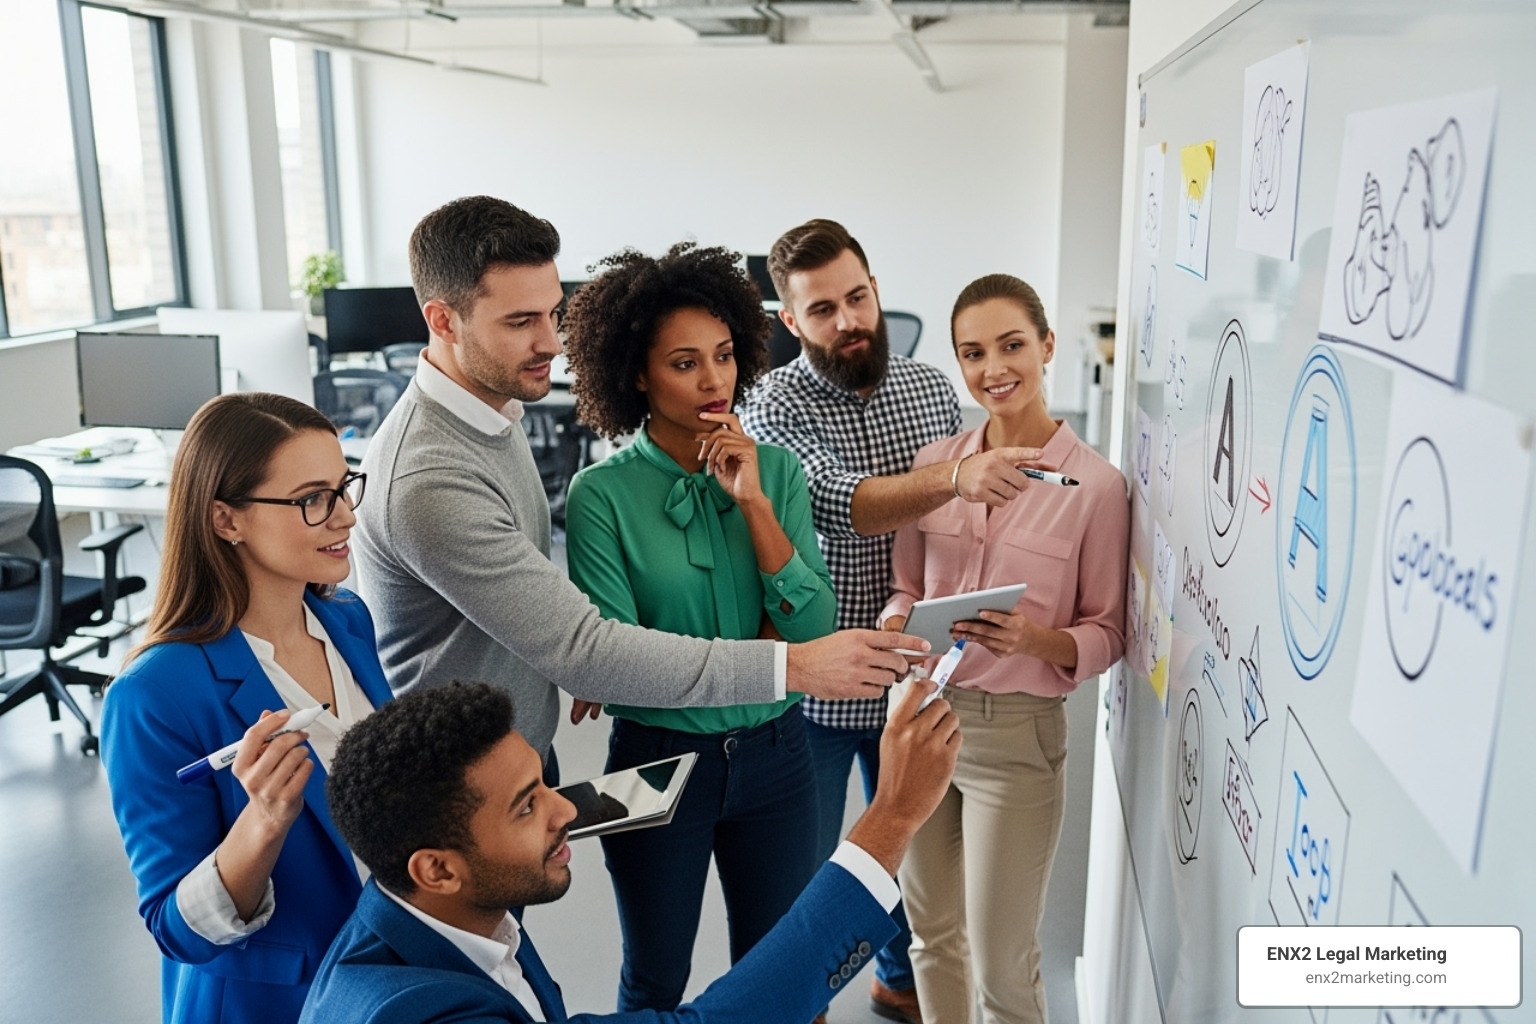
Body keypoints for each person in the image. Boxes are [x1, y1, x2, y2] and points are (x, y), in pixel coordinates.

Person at [353, 197, 929, 768]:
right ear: (442, 321)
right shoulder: (430, 477)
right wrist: (795, 667)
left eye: (552, 314)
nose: (552, 343)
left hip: (519, 748)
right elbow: (584, 651)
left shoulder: (494, 414)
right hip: (460, 781)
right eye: (521, 321)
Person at [738, 219, 1044, 1023]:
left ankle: (896, 979)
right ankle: (797, 1004)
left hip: (921, 669)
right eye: (824, 310)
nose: (849, 321)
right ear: (790, 322)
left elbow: (974, 516)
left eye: (859, 298)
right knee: (813, 870)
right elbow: (844, 506)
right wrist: (956, 477)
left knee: (917, 859)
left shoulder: (925, 386)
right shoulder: (772, 405)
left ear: (877, 290)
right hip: (822, 684)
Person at [299, 679, 961, 1024]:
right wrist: (895, 814)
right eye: (528, 804)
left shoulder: (417, 906)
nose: (566, 809)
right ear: (437, 868)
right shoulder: (420, 1013)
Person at [559, 242, 835, 1012]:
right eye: (684, 363)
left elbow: (813, 625)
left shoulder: (777, 472)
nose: (715, 380)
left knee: (786, 974)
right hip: (654, 761)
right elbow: (620, 660)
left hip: (781, 754)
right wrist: (767, 648)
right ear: (636, 372)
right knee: (653, 978)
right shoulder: (599, 497)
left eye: (722, 355)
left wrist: (753, 504)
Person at [879, 275, 1129, 1024]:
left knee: (1002, 963)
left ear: (1047, 346)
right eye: (973, 352)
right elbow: (904, 585)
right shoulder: (937, 465)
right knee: (930, 937)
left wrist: (1036, 638)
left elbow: (1110, 629)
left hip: (1016, 736)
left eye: (1012, 345)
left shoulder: (1097, 488)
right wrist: (898, 624)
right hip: (921, 715)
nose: (994, 368)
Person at [101, 393, 395, 1024]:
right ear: (225, 519)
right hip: (283, 1001)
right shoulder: (154, 696)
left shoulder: (347, 621)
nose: (345, 517)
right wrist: (262, 822)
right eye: (313, 498)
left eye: (345, 487)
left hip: (391, 977)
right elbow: (176, 930)